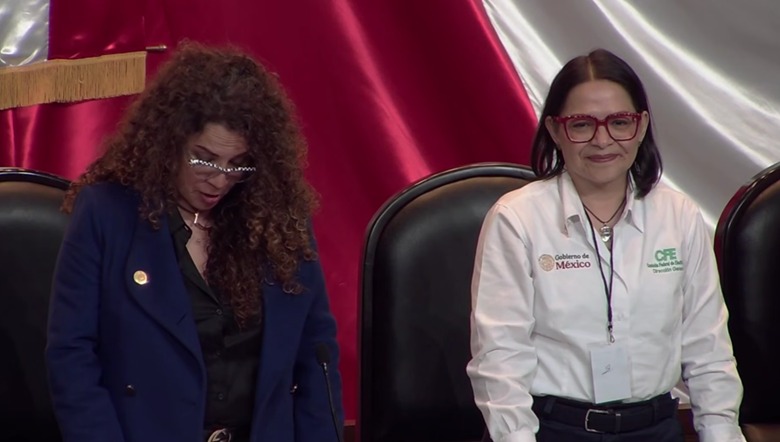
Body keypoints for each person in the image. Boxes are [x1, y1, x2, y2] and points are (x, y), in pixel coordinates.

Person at [45, 42, 344, 442]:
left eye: (237, 164)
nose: (219, 180)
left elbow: (316, 354)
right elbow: (72, 355)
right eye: (204, 159)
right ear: (171, 141)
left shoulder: (278, 220)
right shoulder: (107, 213)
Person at [467, 49, 745, 442]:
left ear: (641, 125)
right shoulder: (517, 218)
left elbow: (709, 349)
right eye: (581, 125)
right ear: (555, 130)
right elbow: (500, 359)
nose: (602, 140)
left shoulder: (678, 216)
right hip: (553, 429)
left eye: (619, 122)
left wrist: (721, 433)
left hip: (656, 428)